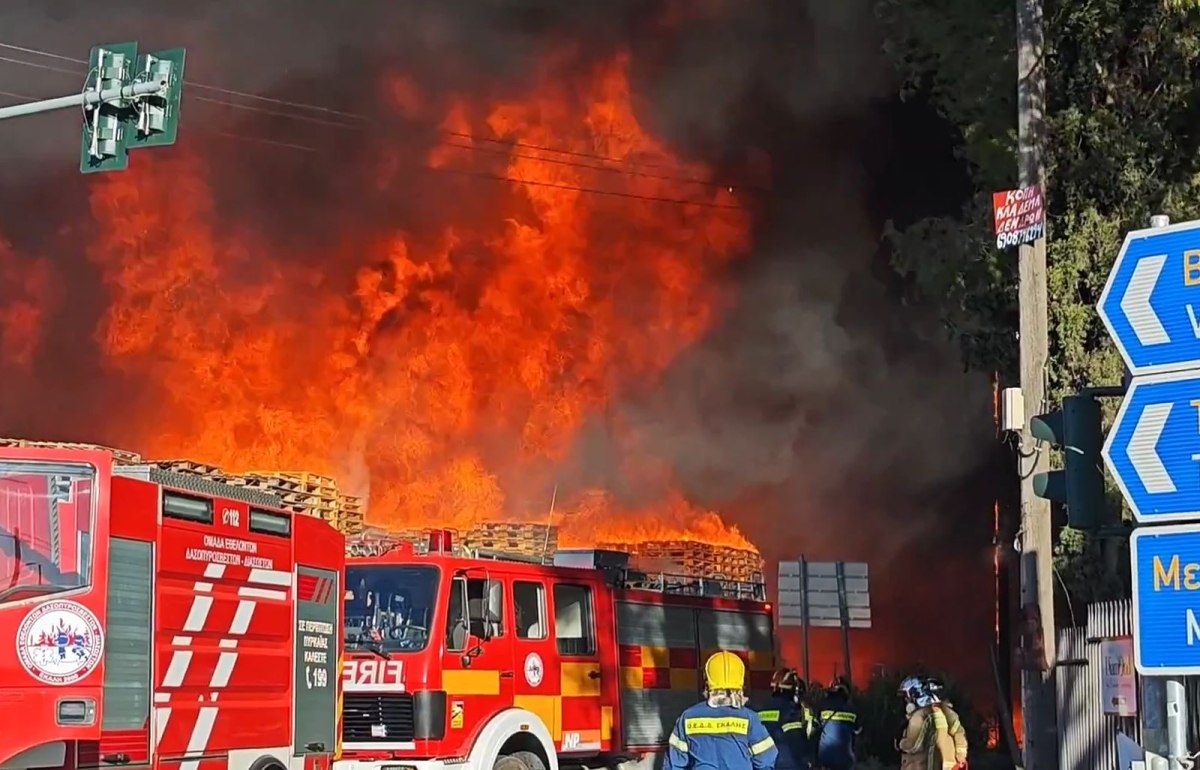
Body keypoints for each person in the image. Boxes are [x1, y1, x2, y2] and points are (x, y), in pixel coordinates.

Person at [666, 650, 779, 770]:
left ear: (707, 682)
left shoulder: (688, 717)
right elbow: (766, 761)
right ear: (740, 682)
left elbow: (674, 764)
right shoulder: (749, 718)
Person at [896, 676, 967, 770]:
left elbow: (912, 745)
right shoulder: (945, 711)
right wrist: (960, 756)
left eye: (907, 697)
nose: (906, 701)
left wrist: (900, 744)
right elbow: (959, 732)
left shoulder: (919, 716)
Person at [756, 668, 816, 770]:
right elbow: (797, 742)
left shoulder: (759, 711)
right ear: (794, 690)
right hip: (790, 765)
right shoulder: (793, 712)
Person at [816, 677, 859, 770]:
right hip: (845, 758)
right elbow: (857, 731)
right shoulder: (851, 709)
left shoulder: (822, 707)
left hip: (825, 757)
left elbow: (816, 728)